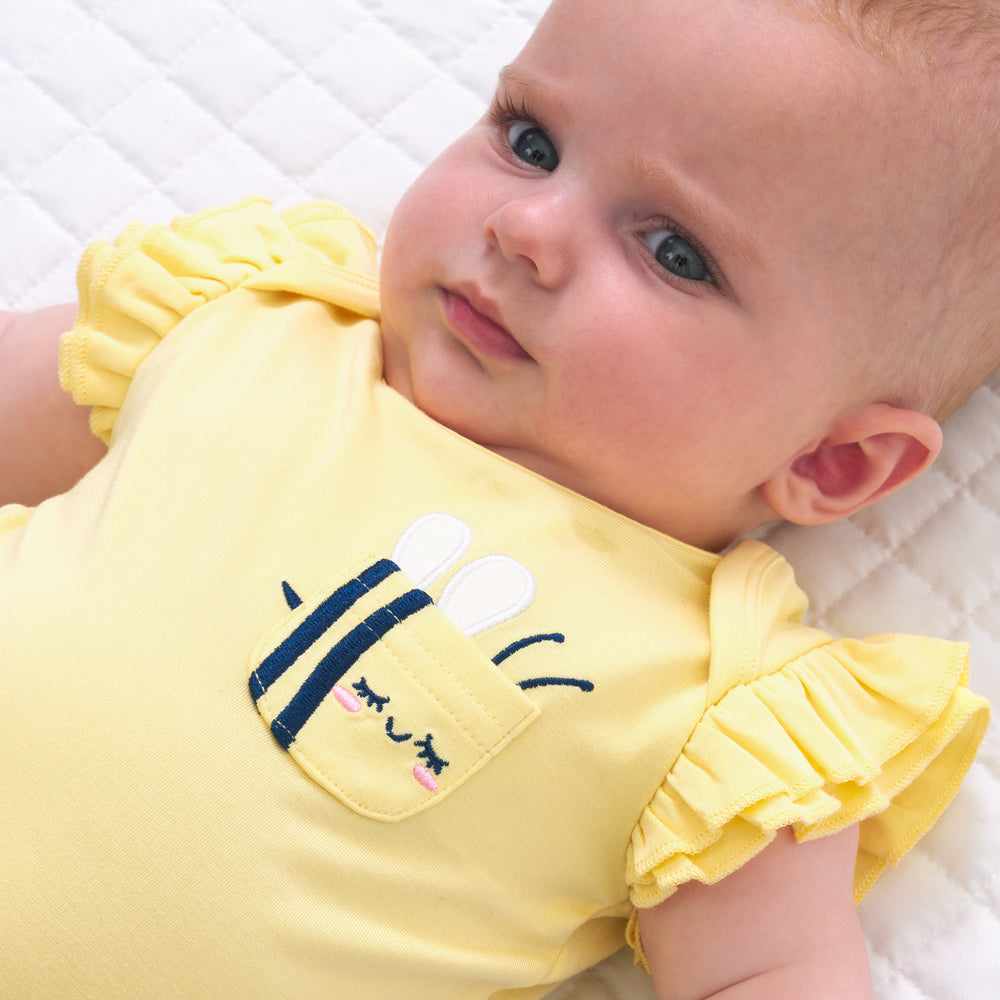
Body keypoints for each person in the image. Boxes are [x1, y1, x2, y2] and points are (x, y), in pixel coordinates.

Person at [0, 0, 995, 997]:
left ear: (831, 462)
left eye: (674, 252)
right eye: (530, 140)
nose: (526, 227)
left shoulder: (720, 708)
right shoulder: (243, 321)